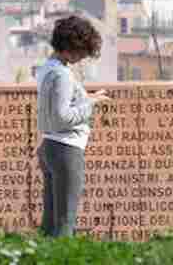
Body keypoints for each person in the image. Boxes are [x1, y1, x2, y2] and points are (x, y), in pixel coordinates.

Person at [35, 15, 110, 237]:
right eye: (82, 51)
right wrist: (91, 103)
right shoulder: (62, 75)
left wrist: (87, 97)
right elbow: (62, 117)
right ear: (71, 47)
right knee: (65, 223)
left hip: (50, 146)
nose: (82, 57)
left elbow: (58, 106)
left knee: (50, 224)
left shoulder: (47, 68)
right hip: (66, 149)